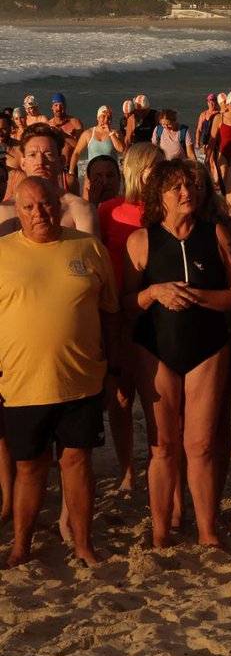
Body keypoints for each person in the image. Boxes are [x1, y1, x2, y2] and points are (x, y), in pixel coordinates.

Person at [0, 177, 119, 567]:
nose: (40, 213)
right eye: (30, 207)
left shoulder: (88, 247)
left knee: (77, 462)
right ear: (17, 212)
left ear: (59, 203)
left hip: (81, 379)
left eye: (46, 204)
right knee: (29, 467)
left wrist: (113, 370)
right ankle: (21, 548)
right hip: (20, 384)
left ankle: (84, 546)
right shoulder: (2, 253)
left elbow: (110, 315)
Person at [124, 160, 231, 548]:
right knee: (163, 447)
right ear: (159, 195)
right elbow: (126, 304)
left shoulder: (217, 234)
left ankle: (208, 532)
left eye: (190, 185)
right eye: (175, 188)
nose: (186, 193)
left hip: (208, 348)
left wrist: (196, 297)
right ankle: (160, 532)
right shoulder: (141, 241)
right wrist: (154, 292)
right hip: (155, 350)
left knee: (201, 446)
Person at [98, 142, 162, 489]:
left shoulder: (166, 211)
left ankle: (159, 463)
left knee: (159, 397)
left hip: (156, 314)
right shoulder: (108, 211)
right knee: (122, 396)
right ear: (137, 170)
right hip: (119, 316)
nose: (161, 173)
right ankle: (126, 471)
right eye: (154, 167)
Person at [0, 124, 99, 236]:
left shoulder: (80, 210)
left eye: (48, 154)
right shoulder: (6, 211)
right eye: (32, 155)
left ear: (61, 162)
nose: (40, 162)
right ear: (23, 163)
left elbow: (90, 251)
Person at [69, 105, 125, 186]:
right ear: (98, 118)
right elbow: (76, 153)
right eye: (103, 116)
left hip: (110, 176)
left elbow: (121, 149)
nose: (106, 120)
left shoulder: (116, 133)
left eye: (109, 118)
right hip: (93, 175)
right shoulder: (88, 133)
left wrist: (110, 133)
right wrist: (71, 173)